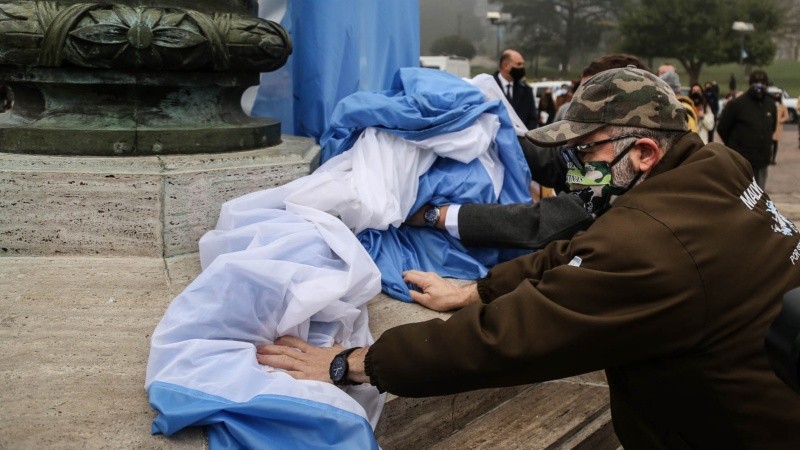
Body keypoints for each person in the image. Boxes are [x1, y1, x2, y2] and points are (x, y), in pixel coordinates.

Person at [257, 67, 800, 449]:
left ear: (644, 152)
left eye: (586, 151)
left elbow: (506, 339)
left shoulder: (654, 243)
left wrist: (350, 363)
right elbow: (577, 250)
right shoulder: (718, 168)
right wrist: (479, 288)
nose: (576, 168)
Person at [405, 54, 650, 251]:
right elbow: (553, 162)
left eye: (589, 106)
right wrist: (492, 127)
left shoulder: (621, 175)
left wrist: (436, 214)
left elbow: (544, 222)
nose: (577, 110)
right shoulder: (605, 156)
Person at [717, 69, 777, 189]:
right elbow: (722, 128)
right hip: (742, 161)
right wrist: (734, 147)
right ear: (750, 84)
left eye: (762, 82)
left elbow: (772, 127)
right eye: (756, 82)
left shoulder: (770, 104)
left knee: (759, 197)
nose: (759, 85)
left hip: (762, 160)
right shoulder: (737, 104)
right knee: (743, 197)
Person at [493, 49, 538, 130]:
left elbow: (533, 119)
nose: (522, 68)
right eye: (519, 64)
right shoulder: (489, 86)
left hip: (521, 140)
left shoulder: (526, 91)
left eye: (523, 64)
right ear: (505, 65)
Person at [658, 64, 698, 132]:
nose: (669, 74)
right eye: (662, 73)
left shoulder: (683, 109)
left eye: (664, 73)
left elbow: (691, 138)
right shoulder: (661, 106)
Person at [771, 90, 789, 164]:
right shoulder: (771, 105)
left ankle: (773, 159)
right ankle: (769, 157)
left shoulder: (782, 106)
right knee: (769, 144)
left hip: (777, 127)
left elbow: (786, 116)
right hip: (770, 126)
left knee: (775, 143)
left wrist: (780, 120)